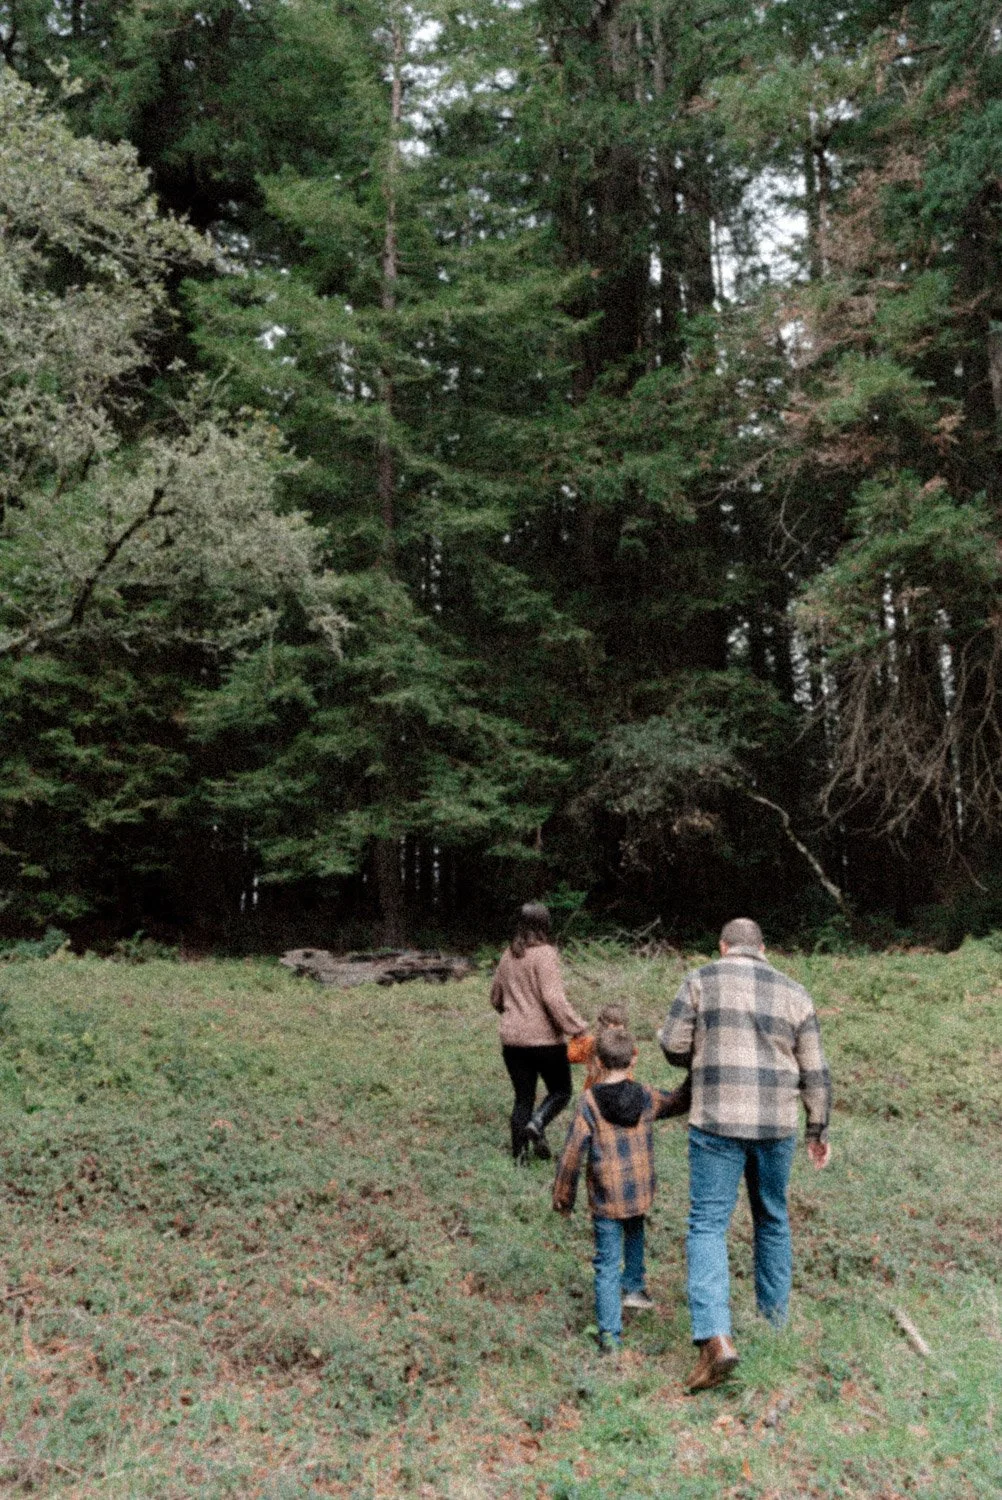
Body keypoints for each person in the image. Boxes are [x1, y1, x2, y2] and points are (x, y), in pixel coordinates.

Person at [659, 917, 831, 1392]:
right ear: (763, 949)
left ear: (723, 946)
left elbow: (673, 1046)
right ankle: (774, 1325)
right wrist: (818, 1128)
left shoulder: (700, 980)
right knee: (773, 1218)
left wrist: (705, 1047)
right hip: (777, 1126)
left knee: (708, 1224)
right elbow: (815, 1070)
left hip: (716, 1119)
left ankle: (716, 1340)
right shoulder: (795, 993)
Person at [552, 1027, 691, 1354]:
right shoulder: (645, 1095)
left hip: (606, 1194)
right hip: (639, 1191)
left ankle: (610, 1337)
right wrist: (695, 1072)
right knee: (635, 1227)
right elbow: (676, 1102)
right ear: (633, 1059)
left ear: (597, 1060)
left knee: (605, 1263)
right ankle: (634, 1287)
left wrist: (563, 1197)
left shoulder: (589, 1101)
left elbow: (573, 1152)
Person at [490, 902, 589, 1163]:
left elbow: (495, 998)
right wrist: (578, 1027)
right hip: (544, 1041)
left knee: (523, 1097)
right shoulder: (545, 954)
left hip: (512, 1041)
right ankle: (537, 1123)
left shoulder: (507, 955)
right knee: (562, 1090)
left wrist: (514, 1014)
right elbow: (553, 999)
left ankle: (520, 1159)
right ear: (545, 924)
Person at [566, 1002, 630, 1089]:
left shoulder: (590, 1044)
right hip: (623, 1092)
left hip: (594, 1095)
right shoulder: (627, 1045)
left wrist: (578, 1038)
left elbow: (569, 1055)